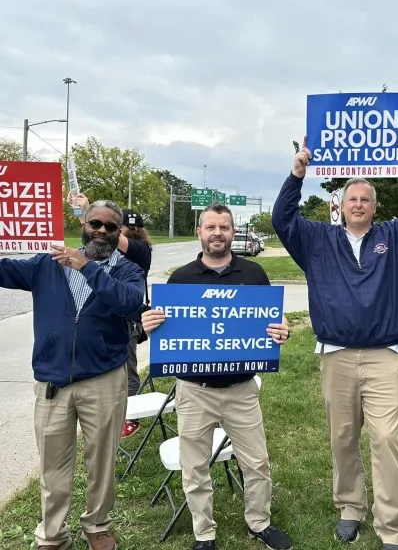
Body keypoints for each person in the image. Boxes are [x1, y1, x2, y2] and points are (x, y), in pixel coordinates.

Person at [272, 129, 398, 550]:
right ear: (340, 206)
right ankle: (350, 506)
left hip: (384, 356)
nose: (358, 204)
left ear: (374, 208)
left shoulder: (396, 237)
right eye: (352, 199)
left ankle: (392, 527)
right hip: (337, 356)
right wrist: (297, 174)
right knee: (343, 437)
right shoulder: (317, 240)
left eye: (366, 199)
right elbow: (282, 220)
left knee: (386, 439)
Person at [141, 203, 292, 550]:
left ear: (232, 232)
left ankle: (259, 522)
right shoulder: (180, 278)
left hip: (241, 388)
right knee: (194, 467)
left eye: (224, 227)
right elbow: (167, 331)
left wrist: (281, 331)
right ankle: (203, 533)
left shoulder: (254, 274)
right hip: (194, 389)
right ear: (200, 232)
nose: (217, 234)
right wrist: (151, 326)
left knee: (257, 462)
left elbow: (270, 323)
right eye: (210, 227)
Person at [0, 200, 144, 550]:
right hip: (53, 382)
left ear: (120, 231)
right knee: (53, 466)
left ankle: (97, 525)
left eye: (112, 227)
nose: (103, 231)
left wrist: (87, 268)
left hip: (104, 379)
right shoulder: (46, 265)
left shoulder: (127, 270)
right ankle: (52, 533)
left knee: (102, 462)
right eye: (96, 223)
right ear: (84, 223)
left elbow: (129, 303)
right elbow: (5, 271)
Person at [71, 193, 152, 438]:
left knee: (127, 366)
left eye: (115, 225)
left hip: (128, 315)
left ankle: (131, 415)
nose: (103, 230)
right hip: (107, 311)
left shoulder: (138, 249)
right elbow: (96, 235)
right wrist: (86, 216)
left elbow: (103, 235)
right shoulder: (110, 246)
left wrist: (87, 211)